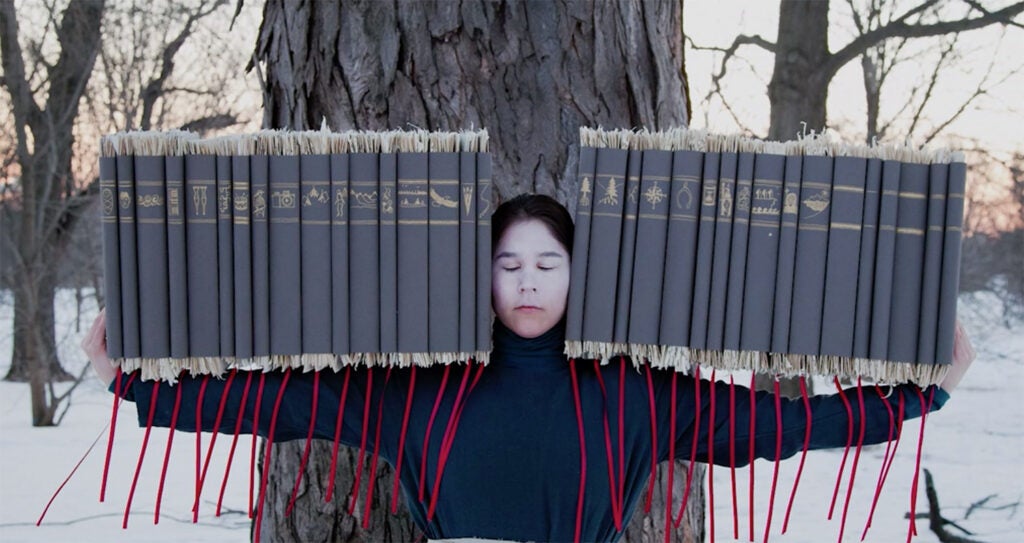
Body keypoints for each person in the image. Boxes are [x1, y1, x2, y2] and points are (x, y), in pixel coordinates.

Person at [82, 194, 976, 543]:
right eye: (508, 262)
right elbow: (274, 401)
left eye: (548, 262)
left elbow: (782, 426)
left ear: (579, 273)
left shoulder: (638, 391)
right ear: (480, 273)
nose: (528, 280)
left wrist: (921, 395)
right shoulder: (419, 386)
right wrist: (132, 381)